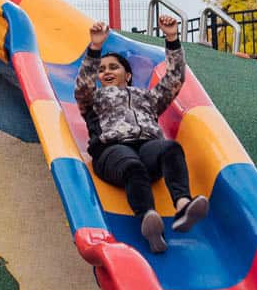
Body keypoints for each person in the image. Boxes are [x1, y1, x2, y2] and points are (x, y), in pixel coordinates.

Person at [74, 14, 208, 253]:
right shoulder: (93, 99)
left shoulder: (146, 97)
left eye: (113, 67)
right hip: (111, 151)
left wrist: (172, 38)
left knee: (170, 149)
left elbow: (175, 78)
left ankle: (183, 205)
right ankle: (148, 218)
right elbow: (83, 85)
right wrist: (95, 48)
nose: (106, 72)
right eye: (102, 69)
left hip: (148, 146)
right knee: (132, 166)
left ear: (128, 75)